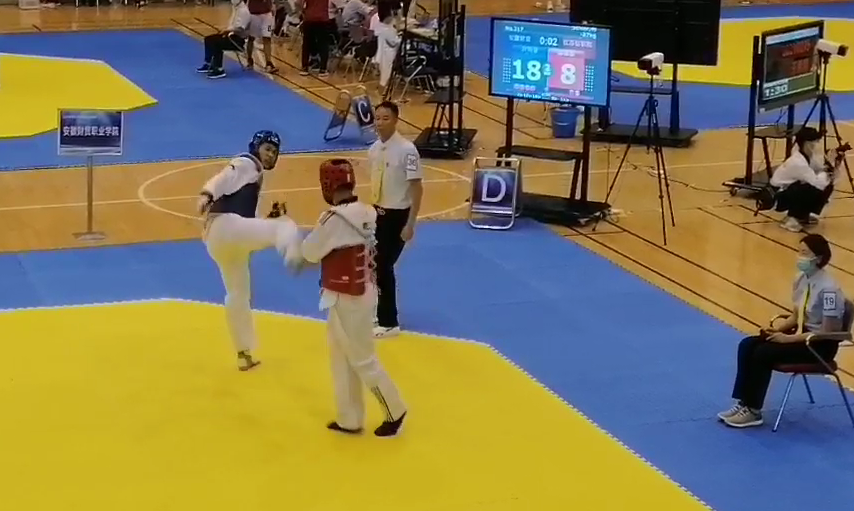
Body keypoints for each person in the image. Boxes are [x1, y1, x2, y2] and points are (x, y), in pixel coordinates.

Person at [287, 159, 407, 437]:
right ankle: (349, 418)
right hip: (356, 291)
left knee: (362, 358)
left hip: (348, 297)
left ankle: (395, 408)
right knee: (340, 357)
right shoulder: (367, 211)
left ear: (327, 185)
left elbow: (309, 252)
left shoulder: (333, 220)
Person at [719, 233, 846, 428]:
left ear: (819, 258)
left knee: (763, 353)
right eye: (799, 251)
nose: (800, 257)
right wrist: (776, 331)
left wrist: (787, 340)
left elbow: (827, 332)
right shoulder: (801, 279)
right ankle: (743, 402)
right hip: (800, 335)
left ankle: (753, 411)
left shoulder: (830, 291)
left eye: (805, 253)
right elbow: (796, 315)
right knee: (748, 344)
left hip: (818, 345)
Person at [198, 130, 300, 371]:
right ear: (256, 147)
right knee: (284, 225)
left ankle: (243, 353)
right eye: (267, 149)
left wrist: (266, 221)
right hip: (225, 227)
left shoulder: (253, 176)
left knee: (238, 294)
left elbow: (246, 222)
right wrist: (207, 194)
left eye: (275, 152)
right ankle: (295, 257)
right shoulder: (247, 162)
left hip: (220, 240)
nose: (271, 155)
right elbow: (225, 177)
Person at [367, 101, 423, 337]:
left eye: (385, 118)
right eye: (377, 118)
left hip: (397, 215)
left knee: (384, 265)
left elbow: (417, 187)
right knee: (372, 265)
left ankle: (390, 321)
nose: (380, 123)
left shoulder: (407, 150)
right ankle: (378, 312)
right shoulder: (373, 150)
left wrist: (410, 223)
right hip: (377, 213)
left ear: (396, 120)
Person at [769, 127, 844, 232]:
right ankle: (792, 219)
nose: (818, 144)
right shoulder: (798, 162)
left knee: (826, 185)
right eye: (816, 141)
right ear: (808, 143)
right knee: (810, 188)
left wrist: (834, 163)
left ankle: (802, 215)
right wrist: (828, 167)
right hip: (777, 197)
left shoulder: (807, 156)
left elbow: (821, 170)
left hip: (786, 192)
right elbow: (818, 183)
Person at [197, 0, 251, 79]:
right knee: (208, 39)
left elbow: (240, 28)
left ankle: (219, 69)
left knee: (217, 43)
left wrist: (227, 31)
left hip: (238, 40)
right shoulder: (236, 9)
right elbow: (231, 24)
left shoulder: (244, 11)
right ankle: (209, 63)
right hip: (230, 36)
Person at [297, 0, 335, 76]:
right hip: (322, 19)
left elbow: (298, 2)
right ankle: (323, 69)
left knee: (306, 44)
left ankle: (304, 68)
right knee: (323, 44)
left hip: (309, 18)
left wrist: (303, 11)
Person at [246, 0, 279, 73]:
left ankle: (268, 63)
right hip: (254, 14)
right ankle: (249, 59)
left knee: (267, 38)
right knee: (251, 38)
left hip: (267, 14)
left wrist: (273, 4)